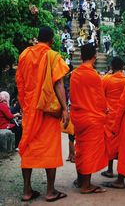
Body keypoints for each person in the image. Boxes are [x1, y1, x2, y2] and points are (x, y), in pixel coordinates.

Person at [16, 26, 70, 202]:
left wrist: (25, 105)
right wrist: (65, 108)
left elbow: (20, 83)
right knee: (50, 149)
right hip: (47, 111)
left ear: (37, 39)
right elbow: (58, 83)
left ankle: (26, 191)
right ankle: (50, 191)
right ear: (52, 41)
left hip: (31, 110)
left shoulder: (24, 54)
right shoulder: (53, 56)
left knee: (28, 147)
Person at [70, 44, 108, 194]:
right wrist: (105, 111)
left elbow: (72, 97)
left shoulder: (74, 74)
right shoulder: (94, 76)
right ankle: (86, 185)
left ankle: (80, 180)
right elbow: (100, 99)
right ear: (95, 57)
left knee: (80, 148)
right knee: (89, 151)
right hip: (92, 118)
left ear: (81, 57)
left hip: (79, 117)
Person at [101, 57, 125, 178]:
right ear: (123, 67)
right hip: (123, 116)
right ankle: (121, 173)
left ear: (111, 67)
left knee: (109, 142)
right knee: (122, 144)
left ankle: (110, 169)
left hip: (109, 116)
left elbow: (101, 96)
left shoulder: (106, 79)